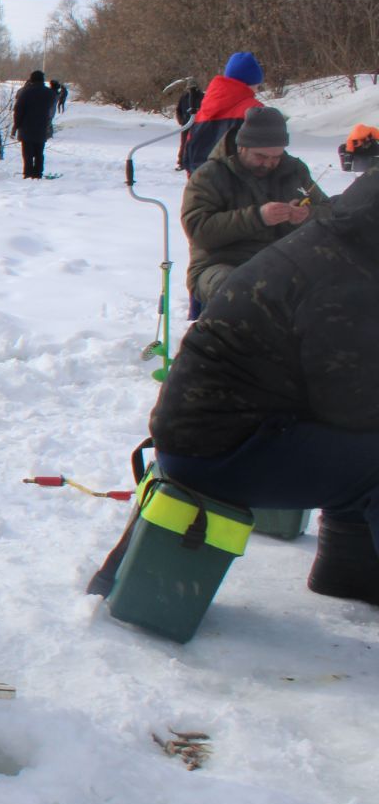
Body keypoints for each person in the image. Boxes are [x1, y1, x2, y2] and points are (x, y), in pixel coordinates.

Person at [151, 166, 379, 607]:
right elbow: (349, 406)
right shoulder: (345, 279)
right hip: (220, 450)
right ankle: (351, 568)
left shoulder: (340, 244)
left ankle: (349, 573)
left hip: (218, 432)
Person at [181, 106, 330, 312]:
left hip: (285, 260)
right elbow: (198, 230)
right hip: (221, 263)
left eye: (275, 157)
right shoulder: (211, 175)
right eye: (260, 156)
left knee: (335, 286)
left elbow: (330, 213)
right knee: (241, 291)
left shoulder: (294, 170)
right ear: (242, 146)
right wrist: (258, 217)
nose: (268, 163)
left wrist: (306, 215)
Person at [181, 50, 264, 174]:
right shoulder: (255, 110)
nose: (257, 91)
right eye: (257, 86)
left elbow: (189, 153)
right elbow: (265, 156)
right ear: (250, 83)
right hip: (240, 187)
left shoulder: (202, 111)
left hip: (202, 184)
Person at [12, 69, 58, 180]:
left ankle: (28, 173)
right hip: (41, 127)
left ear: (31, 79)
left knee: (27, 153)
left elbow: (18, 110)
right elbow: (54, 100)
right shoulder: (48, 93)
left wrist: (16, 126)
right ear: (43, 80)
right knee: (39, 152)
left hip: (26, 127)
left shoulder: (25, 92)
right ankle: (37, 173)